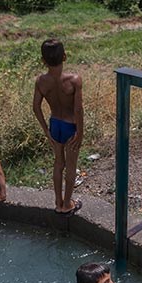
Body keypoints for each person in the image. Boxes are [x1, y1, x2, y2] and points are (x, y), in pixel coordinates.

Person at [33, 38, 84, 215]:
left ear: (43, 60)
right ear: (65, 56)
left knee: (58, 163)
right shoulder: (74, 80)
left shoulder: (41, 81)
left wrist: (46, 131)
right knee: (70, 166)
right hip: (71, 127)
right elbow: (78, 110)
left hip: (55, 125)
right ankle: (67, 204)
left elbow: (36, 107)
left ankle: (57, 202)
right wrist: (80, 132)